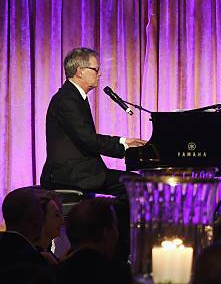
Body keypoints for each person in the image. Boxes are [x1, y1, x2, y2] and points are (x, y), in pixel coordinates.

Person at [40, 47, 146, 196]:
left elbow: (87, 137)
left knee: (136, 183)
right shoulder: (67, 99)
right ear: (80, 71)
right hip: (71, 175)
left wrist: (123, 141)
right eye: (96, 69)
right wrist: (124, 146)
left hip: (81, 171)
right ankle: (117, 219)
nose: (100, 73)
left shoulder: (73, 96)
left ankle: (115, 218)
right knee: (137, 185)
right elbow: (88, 139)